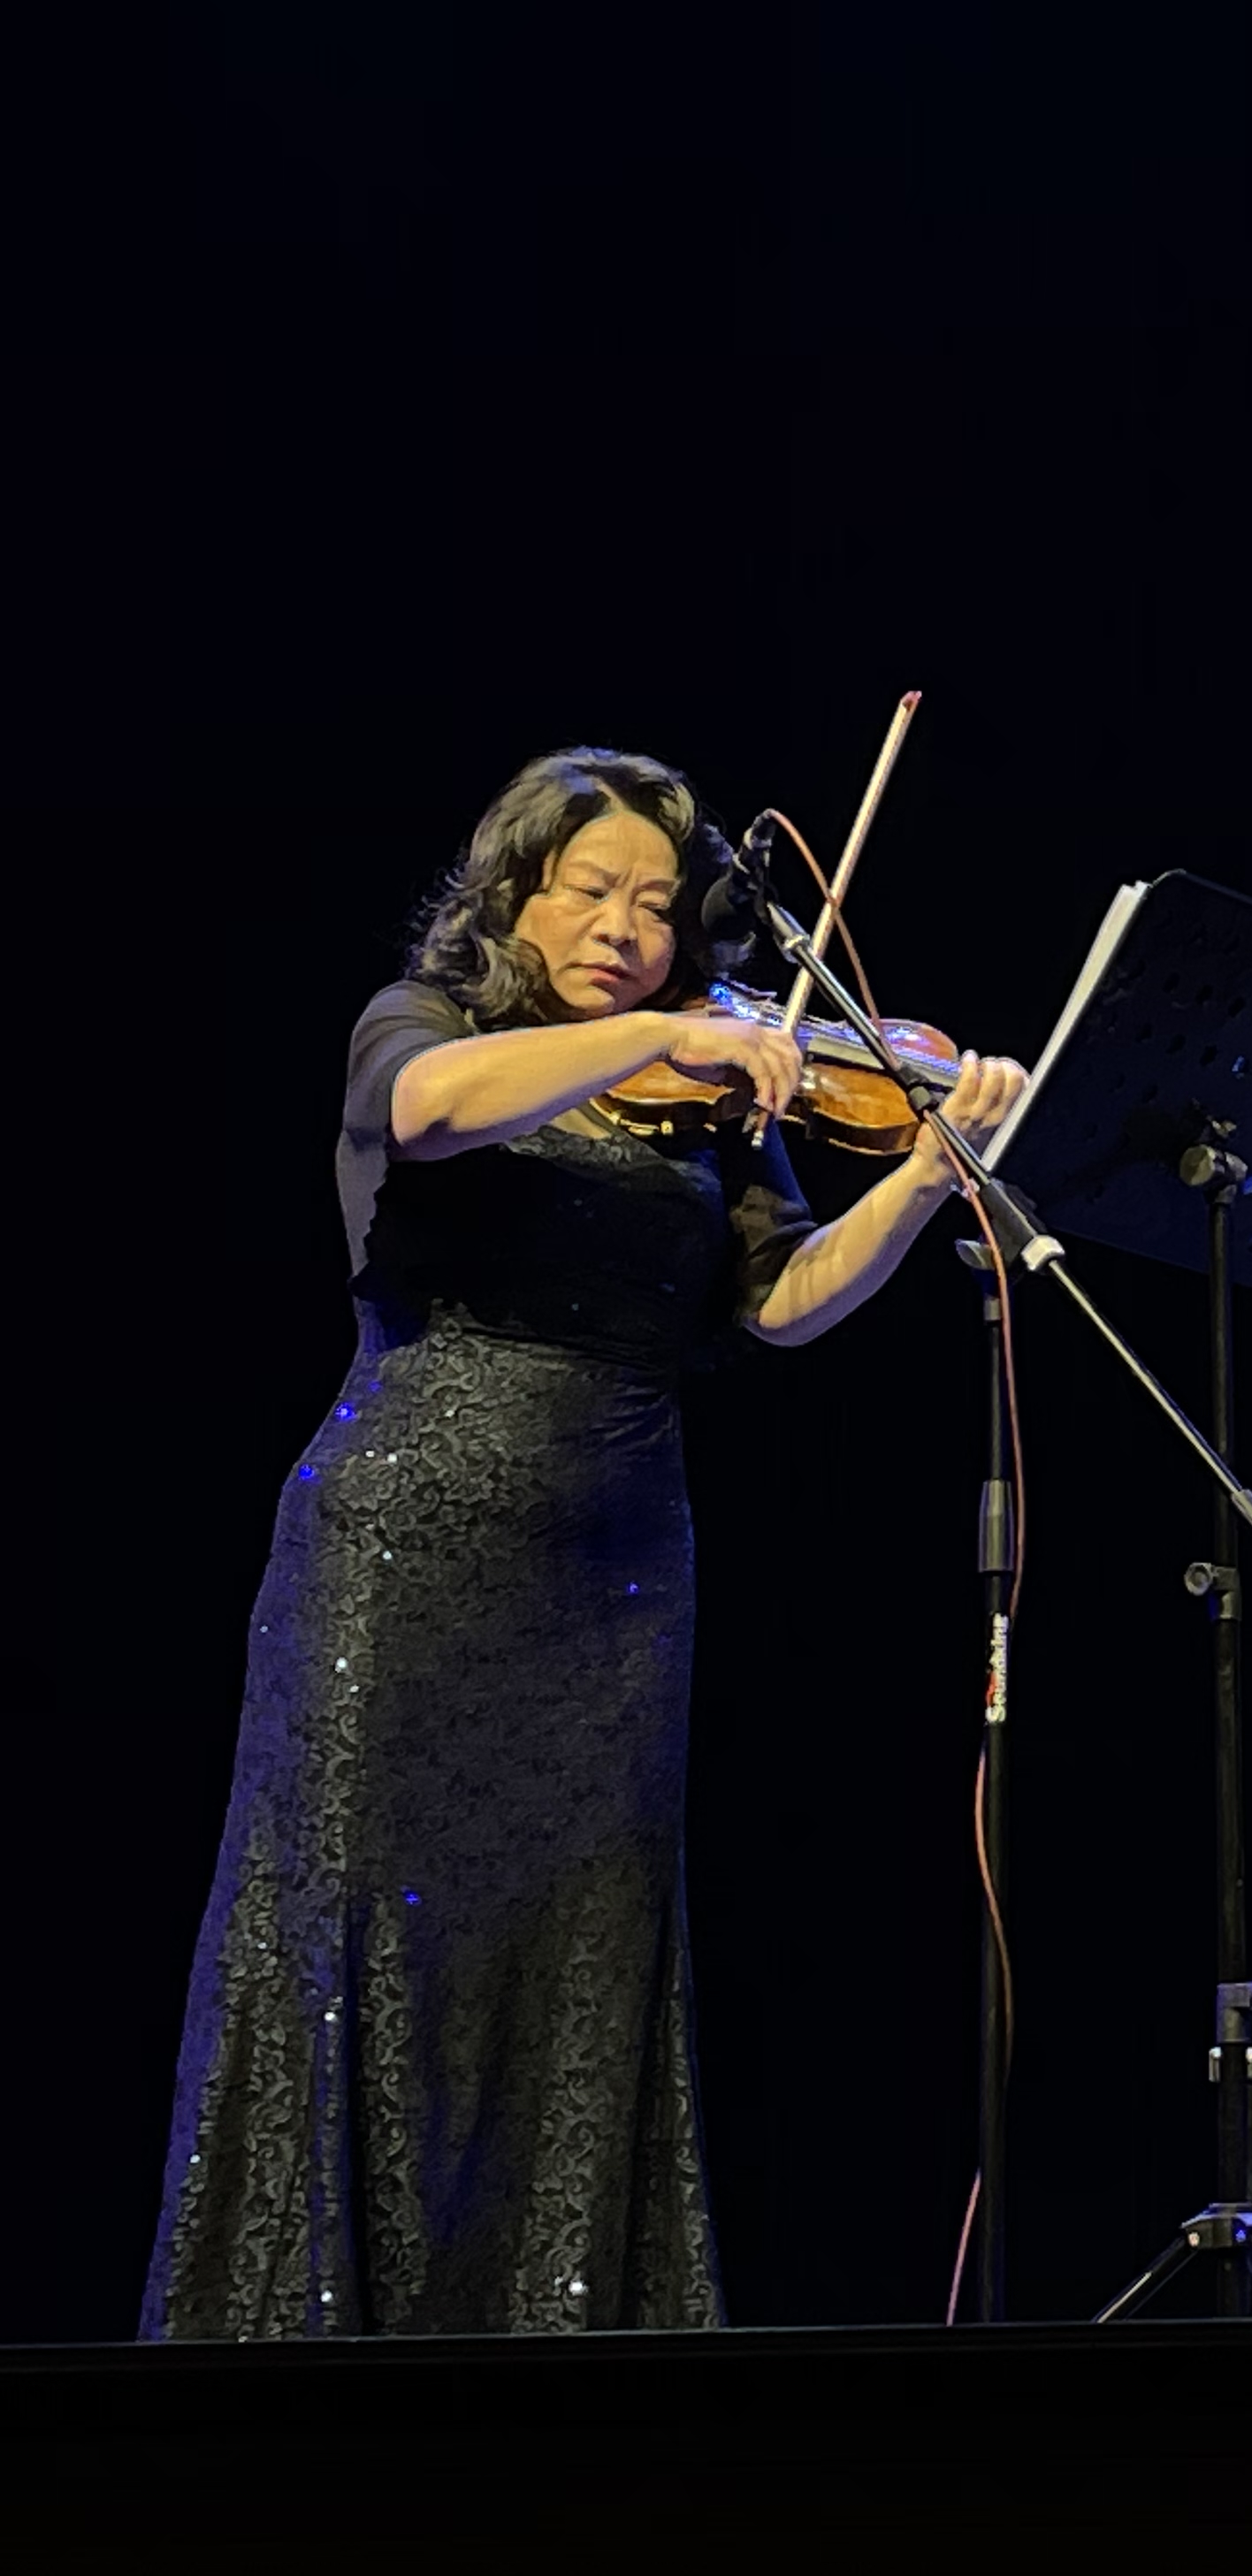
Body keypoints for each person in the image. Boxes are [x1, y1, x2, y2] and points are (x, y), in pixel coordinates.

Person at [145, 747, 1029, 2338]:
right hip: (398, 1558)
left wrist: (916, 1174)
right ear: (515, 894)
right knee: (360, 1941)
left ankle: (555, 2359)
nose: (626, 925)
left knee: (580, 1955)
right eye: (591, 889)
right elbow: (422, 1114)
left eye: (656, 904)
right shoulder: (427, 1023)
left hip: (616, 1579)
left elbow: (779, 1303)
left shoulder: (717, 1095)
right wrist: (663, 1032)